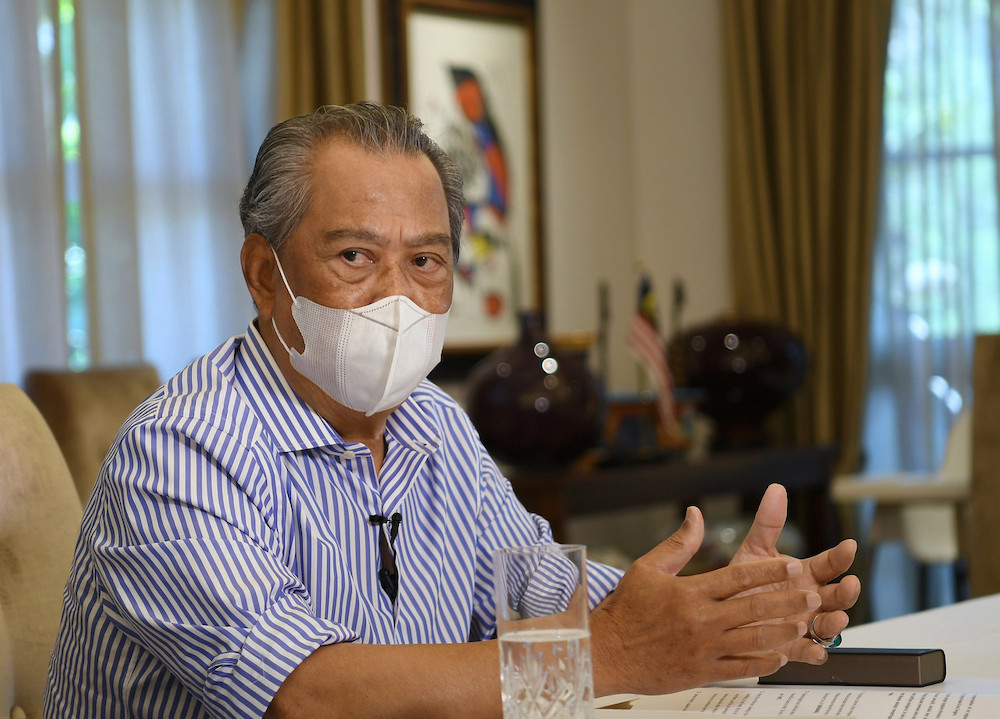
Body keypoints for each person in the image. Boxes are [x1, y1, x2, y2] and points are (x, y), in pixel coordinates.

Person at [44, 102, 860, 719]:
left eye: (426, 260)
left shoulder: (432, 421)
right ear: (264, 273)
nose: (398, 296)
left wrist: (719, 608)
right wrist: (610, 653)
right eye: (355, 256)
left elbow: (538, 586)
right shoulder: (181, 446)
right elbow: (309, 693)